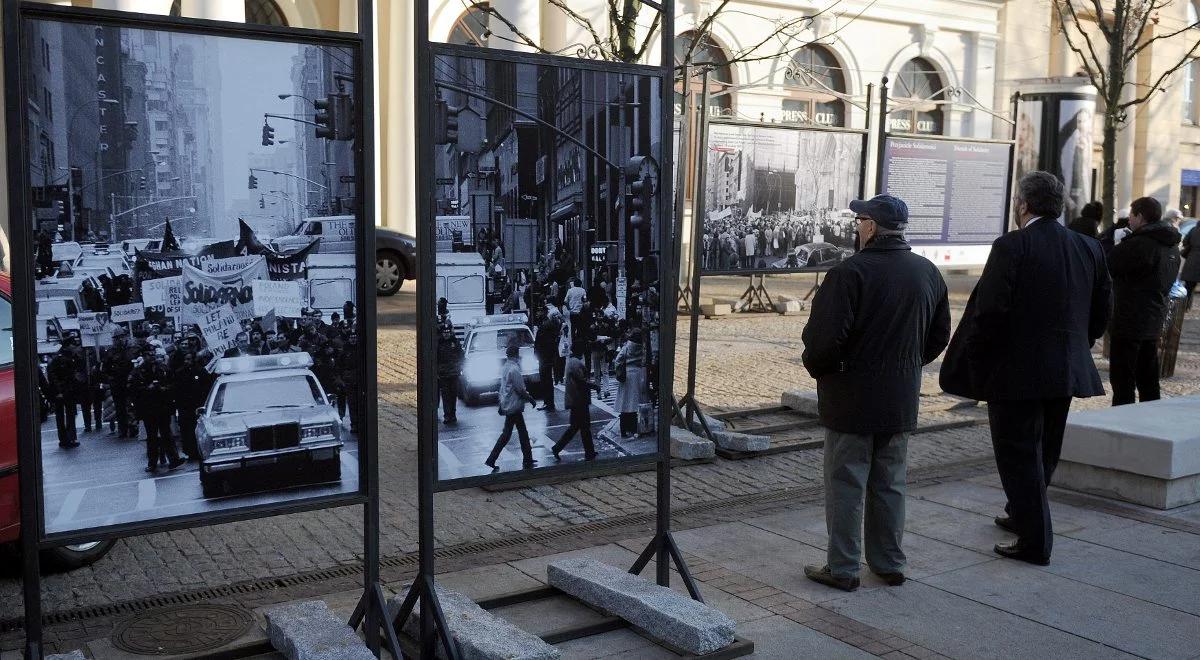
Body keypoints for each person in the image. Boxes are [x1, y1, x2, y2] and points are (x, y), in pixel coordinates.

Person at [940, 171, 1111, 566]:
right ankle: (1022, 513)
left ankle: (1034, 540)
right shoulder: (1088, 247)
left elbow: (990, 313)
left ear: (1023, 206)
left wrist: (981, 363)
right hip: (1065, 369)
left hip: (1015, 373)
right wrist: (1074, 347)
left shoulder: (1012, 246)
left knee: (1018, 455)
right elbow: (1102, 311)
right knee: (1045, 449)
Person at [798, 194, 951, 592]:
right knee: (890, 482)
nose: (856, 228)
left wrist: (823, 369)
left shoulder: (850, 273)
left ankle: (844, 567)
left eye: (858, 220)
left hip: (851, 395)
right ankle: (888, 562)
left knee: (846, 482)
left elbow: (823, 340)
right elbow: (937, 336)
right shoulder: (927, 272)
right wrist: (907, 366)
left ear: (869, 226)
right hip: (899, 395)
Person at [1107, 196, 1181, 406]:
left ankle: (1123, 424)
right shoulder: (1170, 245)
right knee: (1148, 379)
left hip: (1129, 320)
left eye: (1131, 215)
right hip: (1153, 318)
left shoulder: (1139, 244)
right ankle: (1150, 422)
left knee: (1123, 381)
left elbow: (1108, 264)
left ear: (1140, 216)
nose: (1129, 219)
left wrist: (1116, 243)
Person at [129, 343, 184, 473]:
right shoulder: (138, 372)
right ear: (143, 355)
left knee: (166, 434)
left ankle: (173, 459)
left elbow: (173, 384)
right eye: (149, 354)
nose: (152, 357)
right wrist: (147, 389)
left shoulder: (163, 368)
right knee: (152, 436)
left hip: (162, 406)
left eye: (154, 354)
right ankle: (152, 462)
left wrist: (164, 389)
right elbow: (133, 390)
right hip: (148, 408)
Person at [485, 344, 538, 470]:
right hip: (514, 406)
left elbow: (502, 388)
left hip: (509, 404)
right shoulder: (514, 369)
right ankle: (492, 459)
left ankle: (527, 458)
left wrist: (501, 403)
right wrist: (531, 399)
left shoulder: (505, 367)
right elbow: (520, 389)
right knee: (510, 434)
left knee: (518, 433)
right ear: (516, 354)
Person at [552, 343, 601, 461]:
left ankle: (559, 448)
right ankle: (589, 452)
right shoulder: (575, 363)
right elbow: (581, 381)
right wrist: (595, 386)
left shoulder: (572, 362)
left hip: (576, 399)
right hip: (578, 399)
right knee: (584, 427)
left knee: (576, 427)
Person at [47, 335, 87, 448]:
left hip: (68, 391)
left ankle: (68, 438)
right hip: (63, 391)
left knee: (68, 415)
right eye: (73, 345)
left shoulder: (69, 356)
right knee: (64, 416)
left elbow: (80, 365)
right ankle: (67, 439)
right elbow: (53, 376)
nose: (75, 347)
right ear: (68, 345)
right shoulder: (59, 358)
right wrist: (59, 390)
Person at [613, 325, 647, 438]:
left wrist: (619, 370)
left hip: (627, 375)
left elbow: (618, 360)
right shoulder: (642, 347)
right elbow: (644, 360)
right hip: (638, 374)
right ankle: (633, 428)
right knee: (634, 402)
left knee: (624, 402)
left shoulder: (627, 347)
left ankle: (623, 430)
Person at [436, 319, 464, 424]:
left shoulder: (455, 342)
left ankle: (453, 414)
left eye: (448, 332)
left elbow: (461, 356)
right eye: (444, 332)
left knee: (453, 395)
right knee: (446, 396)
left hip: (454, 373)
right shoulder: (439, 344)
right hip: (443, 374)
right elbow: (436, 359)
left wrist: (460, 367)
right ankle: (447, 415)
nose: (446, 334)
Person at [534, 307, 560, 411]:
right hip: (545, 357)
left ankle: (549, 403)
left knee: (546, 381)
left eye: (539, 311)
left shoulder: (546, 325)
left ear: (544, 312)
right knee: (546, 380)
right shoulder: (545, 324)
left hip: (545, 357)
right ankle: (548, 402)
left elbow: (546, 343)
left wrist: (543, 356)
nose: (537, 313)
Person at [1181, 220, 1200, 310]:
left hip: (1193, 259)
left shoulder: (1194, 229)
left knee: (1189, 286)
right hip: (1194, 258)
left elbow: (1185, 241)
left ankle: (1186, 306)